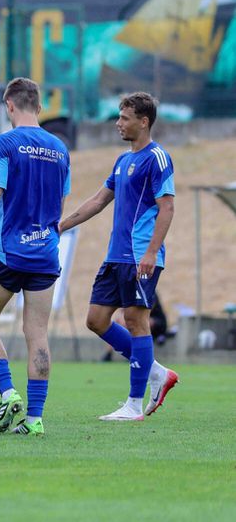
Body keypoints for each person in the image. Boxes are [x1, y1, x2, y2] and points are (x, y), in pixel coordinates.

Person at [0, 78, 70, 437]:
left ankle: (8, 394)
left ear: (9, 106)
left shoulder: (5, 142)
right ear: (37, 104)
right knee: (37, 333)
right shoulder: (60, 148)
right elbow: (60, 201)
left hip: (8, 251)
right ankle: (34, 420)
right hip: (46, 252)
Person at [59, 91, 179, 421]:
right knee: (96, 319)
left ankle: (134, 404)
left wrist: (152, 252)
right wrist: (62, 226)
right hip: (116, 256)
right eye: (118, 116)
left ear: (144, 121)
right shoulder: (123, 161)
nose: (118, 123)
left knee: (136, 321)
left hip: (140, 255)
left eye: (124, 118)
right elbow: (99, 201)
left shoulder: (157, 158)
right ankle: (156, 373)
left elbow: (167, 207)